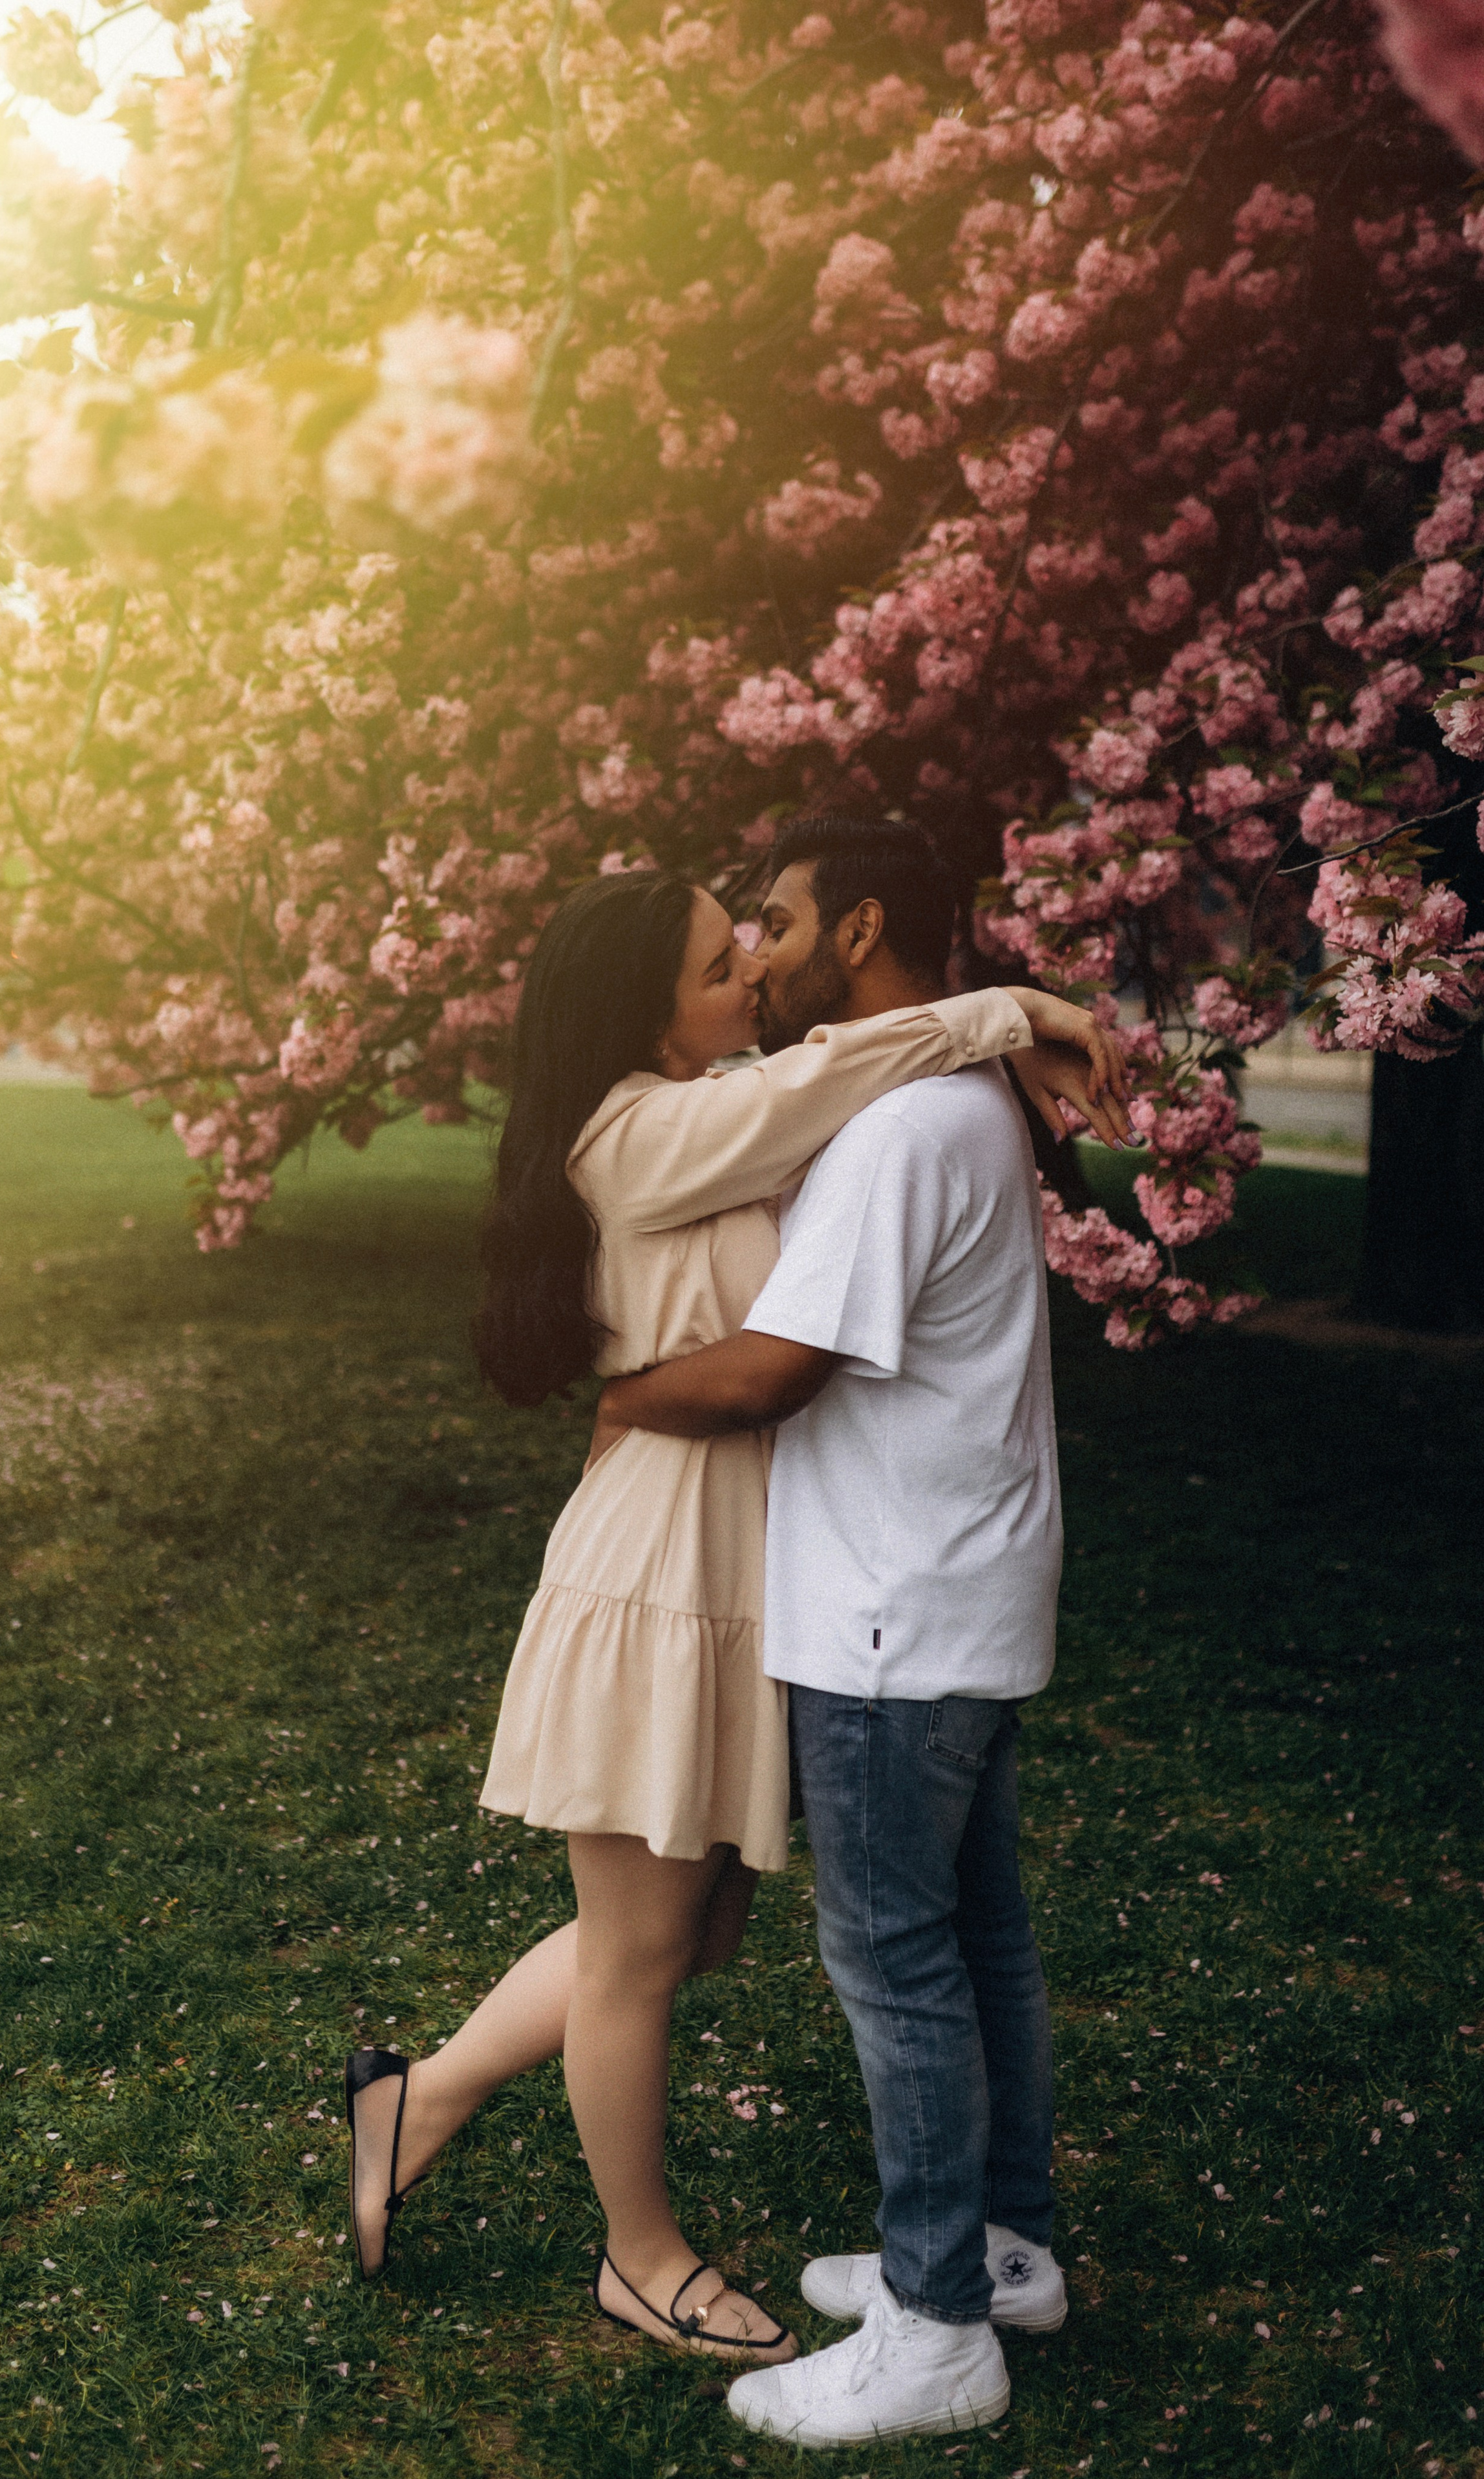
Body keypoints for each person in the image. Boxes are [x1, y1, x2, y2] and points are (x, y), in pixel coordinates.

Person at [343, 848, 1127, 2370]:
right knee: (639, 1949)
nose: (753, 977)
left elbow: (820, 1089)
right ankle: (640, 2259)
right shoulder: (637, 1132)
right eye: (720, 965)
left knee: (685, 1931)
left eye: (748, 948)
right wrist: (1003, 1005)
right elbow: (815, 1086)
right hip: (658, 1569)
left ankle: (418, 2095)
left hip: (738, 1560)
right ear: (648, 1008)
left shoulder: (717, 1110)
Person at [593, 814, 1077, 2444]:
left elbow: (773, 1368)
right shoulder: (965, 1097)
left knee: (897, 1966)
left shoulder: (892, 1134)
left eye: (781, 925)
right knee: (980, 1939)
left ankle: (939, 2326)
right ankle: (1000, 2249)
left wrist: (618, 1394)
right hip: (972, 1584)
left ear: (860, 926)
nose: (765, 956)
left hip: (886, 1614)